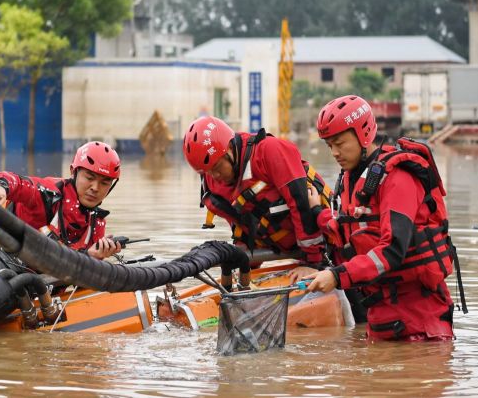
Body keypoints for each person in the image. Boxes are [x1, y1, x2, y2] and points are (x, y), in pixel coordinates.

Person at [299, 95, 462, 341]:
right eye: (329, 145)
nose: (334, 152)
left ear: (363, 134)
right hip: (381, 318)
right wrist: (316, 212)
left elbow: (393, 249)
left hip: (420, 324)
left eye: (340, 143)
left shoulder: (398, 178)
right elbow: (345, 228)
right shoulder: (351, 179)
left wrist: (336, 275)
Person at [182, 115, 332, 274]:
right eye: (207, 172)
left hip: (323, 241)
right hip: (274, 244)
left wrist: (312, 262)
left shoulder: (268, 151)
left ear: (230, 149)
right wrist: (245, 262)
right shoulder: (212, 182)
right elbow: (240, 222)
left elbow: (301, 203)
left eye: (217, 167)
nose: (215, 176)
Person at [0, 141, 123, 260]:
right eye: (89, 178)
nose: (95, 188)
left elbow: (78, 278)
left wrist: (92, 258)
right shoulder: (48, 195)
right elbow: (17, 182)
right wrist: (0, 187)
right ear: (73, 172)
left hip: (40, 286)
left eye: (104, 183)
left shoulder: (97, 223)